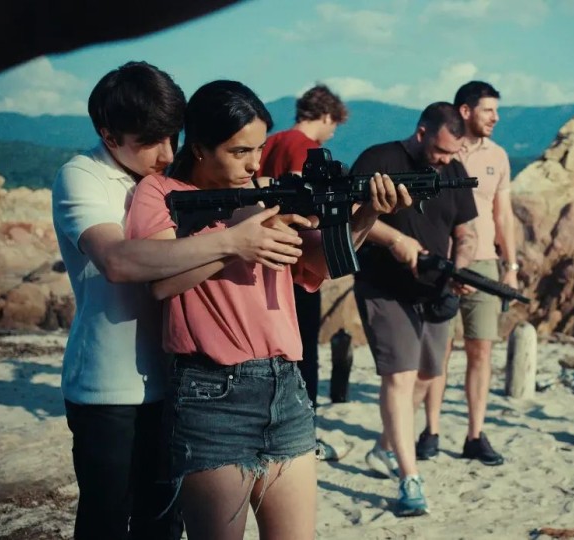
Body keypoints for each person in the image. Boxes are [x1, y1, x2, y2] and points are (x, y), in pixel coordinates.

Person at [124, 79, 410, 539]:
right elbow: (160, 282)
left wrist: (367, 214)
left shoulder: (266, 192)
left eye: (258, 149)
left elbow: (323, 264)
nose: (255, 163)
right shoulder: (159, 192)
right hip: (210, 396)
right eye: (239, 151)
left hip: (286, 388)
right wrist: (238, 243)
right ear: (199, 148)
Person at [52, 62, 306, 540]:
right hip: (110, 386)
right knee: (106, 522)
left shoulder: (168, 179)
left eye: (173, 136)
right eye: (150, 141)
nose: (167, 153)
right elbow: (119, 262)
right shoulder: (83, 176)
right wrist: (233, 241)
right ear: (108, 135)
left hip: (183, 382)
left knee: (164, 525)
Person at [351, 102, 478, 517]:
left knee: (427, 376)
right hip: (383, 286)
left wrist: (460, 267)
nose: (444, 160)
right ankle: (410, 480)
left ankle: (383, 448)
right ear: (422, 132)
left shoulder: (454, 170)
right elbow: (350, 214)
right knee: (400, 377)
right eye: (440, 151)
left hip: (435, 288)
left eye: (452, 153)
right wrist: (395, 239)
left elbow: (466, 231)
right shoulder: (379, 159)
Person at [416, 81, 517, 466]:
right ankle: (431, 430)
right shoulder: (441, 147)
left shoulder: (499, 155)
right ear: (465, 111)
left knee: (482, 350)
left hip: (485, 262)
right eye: (488, 110)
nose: (495, 117)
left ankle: (475, 435)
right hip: (440, 261)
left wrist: (510, 267)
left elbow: (503, 215)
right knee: (438, 351)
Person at [257, 83, 349, 461]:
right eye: (334, 125)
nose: (332, 134)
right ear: (325, 116)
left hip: (265, 260)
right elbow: (306, 204)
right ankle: (304, 433)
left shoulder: (270, 141)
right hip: (297, 263)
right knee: (303, 353)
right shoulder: (304, 148)